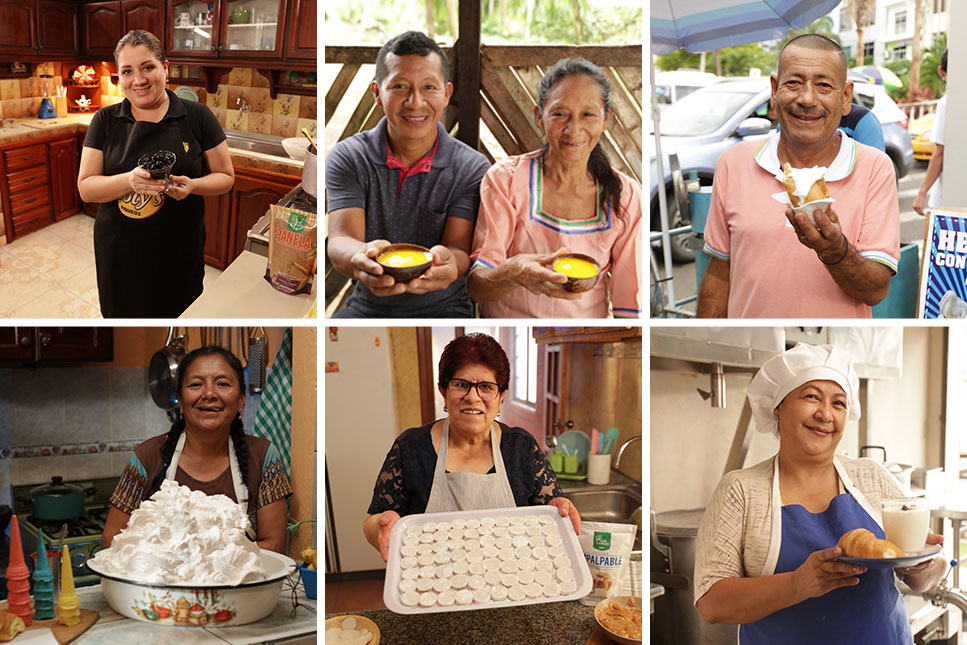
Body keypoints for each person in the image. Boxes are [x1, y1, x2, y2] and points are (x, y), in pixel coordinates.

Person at [694, 343, 946, 643]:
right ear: (778, 405)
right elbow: (711, 604)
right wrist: (797, 584)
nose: (825, 414)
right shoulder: (741, 490)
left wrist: (924, 566)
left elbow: (928, 571)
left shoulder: (871, 477)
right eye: (811, 397)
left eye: (839, 403)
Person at [698, 34, 900, 318]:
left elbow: (875, 291)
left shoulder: (874, 168)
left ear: (845, 98)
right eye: (793, 83)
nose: (806, 98)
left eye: (824, 85)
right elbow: (719, 272)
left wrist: (835, 251)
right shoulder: (733, 162)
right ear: (774, 89)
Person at [364, 333, 580, 561]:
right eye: (461, 385)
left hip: (512, 586)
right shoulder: (411, 447)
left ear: (501, 396)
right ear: (444, 392)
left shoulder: (522, 448)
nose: (473, 397)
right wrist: (380, 526)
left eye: (486, 387)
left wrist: (559, 510)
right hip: (431, 585)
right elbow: (372, 520)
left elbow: (549, 516)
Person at [326, 31, 491, 318]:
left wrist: (450, 264)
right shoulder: (349, 157)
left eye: (429, 87)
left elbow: (458, 248)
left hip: (445, 306)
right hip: (369, 304)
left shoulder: (471, 167)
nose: (416, 102)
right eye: (400, 87)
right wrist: (360, 256)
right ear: (378, 94)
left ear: (446, 94)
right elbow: (341, 239)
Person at [467, 58, 641, 318]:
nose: (574, 129)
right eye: (560, 114)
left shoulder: (625, 195)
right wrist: (515, 273)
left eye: (588, 114)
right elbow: (478, 287)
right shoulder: (506, 180)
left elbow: (630, 303)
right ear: (540, 116)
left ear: (606, 119)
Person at [77, 30, 235, 318]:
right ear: (119, 77)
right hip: (120, 253)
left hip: (178, 253)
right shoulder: (104, 120)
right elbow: (86, 188)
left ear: (165, 67)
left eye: (147, 67)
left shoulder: (197, 117)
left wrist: (194, 185)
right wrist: (129, 181)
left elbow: (225, 177)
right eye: (127, 71)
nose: (138, 80)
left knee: (179, 316)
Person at [101, 346, 292, 553]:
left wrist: (206, 563)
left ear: (241, 400)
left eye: (222, 384)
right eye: (195, 384)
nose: (209, 393)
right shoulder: (146, 457)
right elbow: (112, 541)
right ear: (181, 401)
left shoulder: (264, 457)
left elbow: (274, 546)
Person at [913, 49, 947, 217]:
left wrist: (922, 191)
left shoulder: (946, 104)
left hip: (946, 199)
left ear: (941, 71)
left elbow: (940, 154)